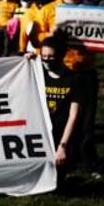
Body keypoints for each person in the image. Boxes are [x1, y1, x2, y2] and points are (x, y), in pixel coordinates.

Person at [35, 0, 100, 172]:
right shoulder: (47, 10)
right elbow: (35, 38)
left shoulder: (93, 10)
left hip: (85, 68)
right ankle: (61, 156)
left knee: (87, 119)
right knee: (60, 117)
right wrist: (51, 34)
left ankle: (87, 160)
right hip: (60, 72)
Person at [39, 37, 81, 182]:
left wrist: (63, 146)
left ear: (61, 55)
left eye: (51, 56)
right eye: (43, 56)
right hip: (41, 134)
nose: (47, 60)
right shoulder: (39, 76)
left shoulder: (73, 80)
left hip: (61, 134)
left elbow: (73, 116)